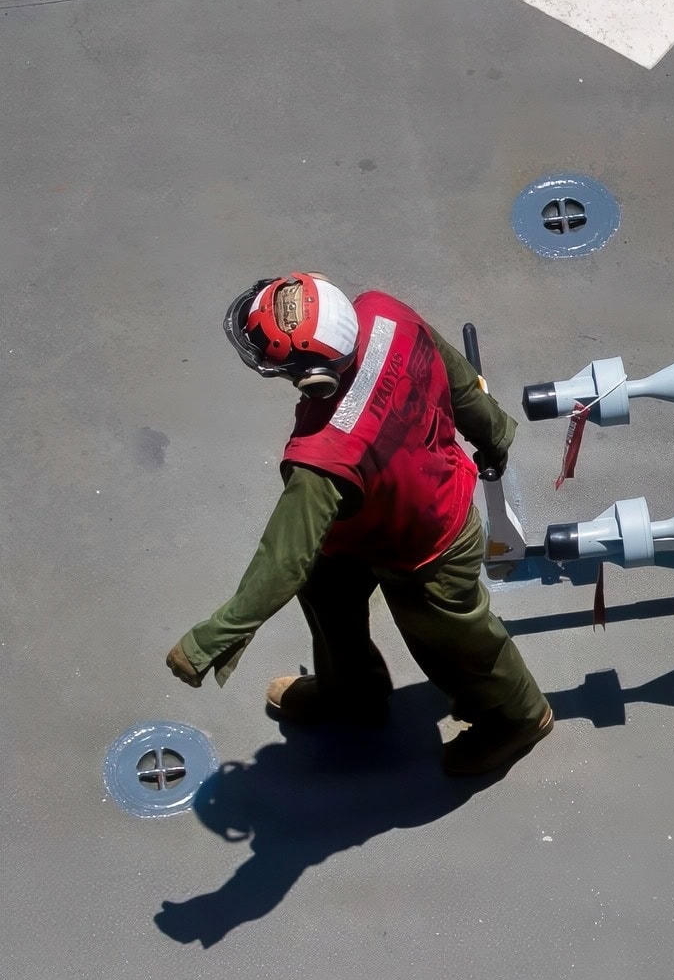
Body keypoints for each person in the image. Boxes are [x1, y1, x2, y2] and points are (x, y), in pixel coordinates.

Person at [164, 272, 553, 775]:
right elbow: (456, 376)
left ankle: (519, 717)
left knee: (455, 638)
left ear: (311, 378)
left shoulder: (322, 456)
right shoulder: (385, 313)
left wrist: (208, 642)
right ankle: (351, 693)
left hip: (428, 538)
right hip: (365, 517)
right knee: (325, 588)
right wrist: (492, 431)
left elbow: (283, 560)